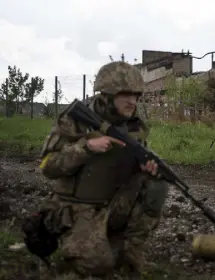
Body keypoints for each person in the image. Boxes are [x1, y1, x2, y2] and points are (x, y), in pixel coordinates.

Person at [37, 61, 169, 278]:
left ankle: (131, 252)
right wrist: (86, 147)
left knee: (156, 183)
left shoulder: (132, 126)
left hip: (112, 204)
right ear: (107, 94)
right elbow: (48, 167)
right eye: (125, 94)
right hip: (77, 207)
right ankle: (64, 246)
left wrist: (146, 168)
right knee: (99, 265)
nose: (132, 101)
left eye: (136, 95)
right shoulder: (74, 120)